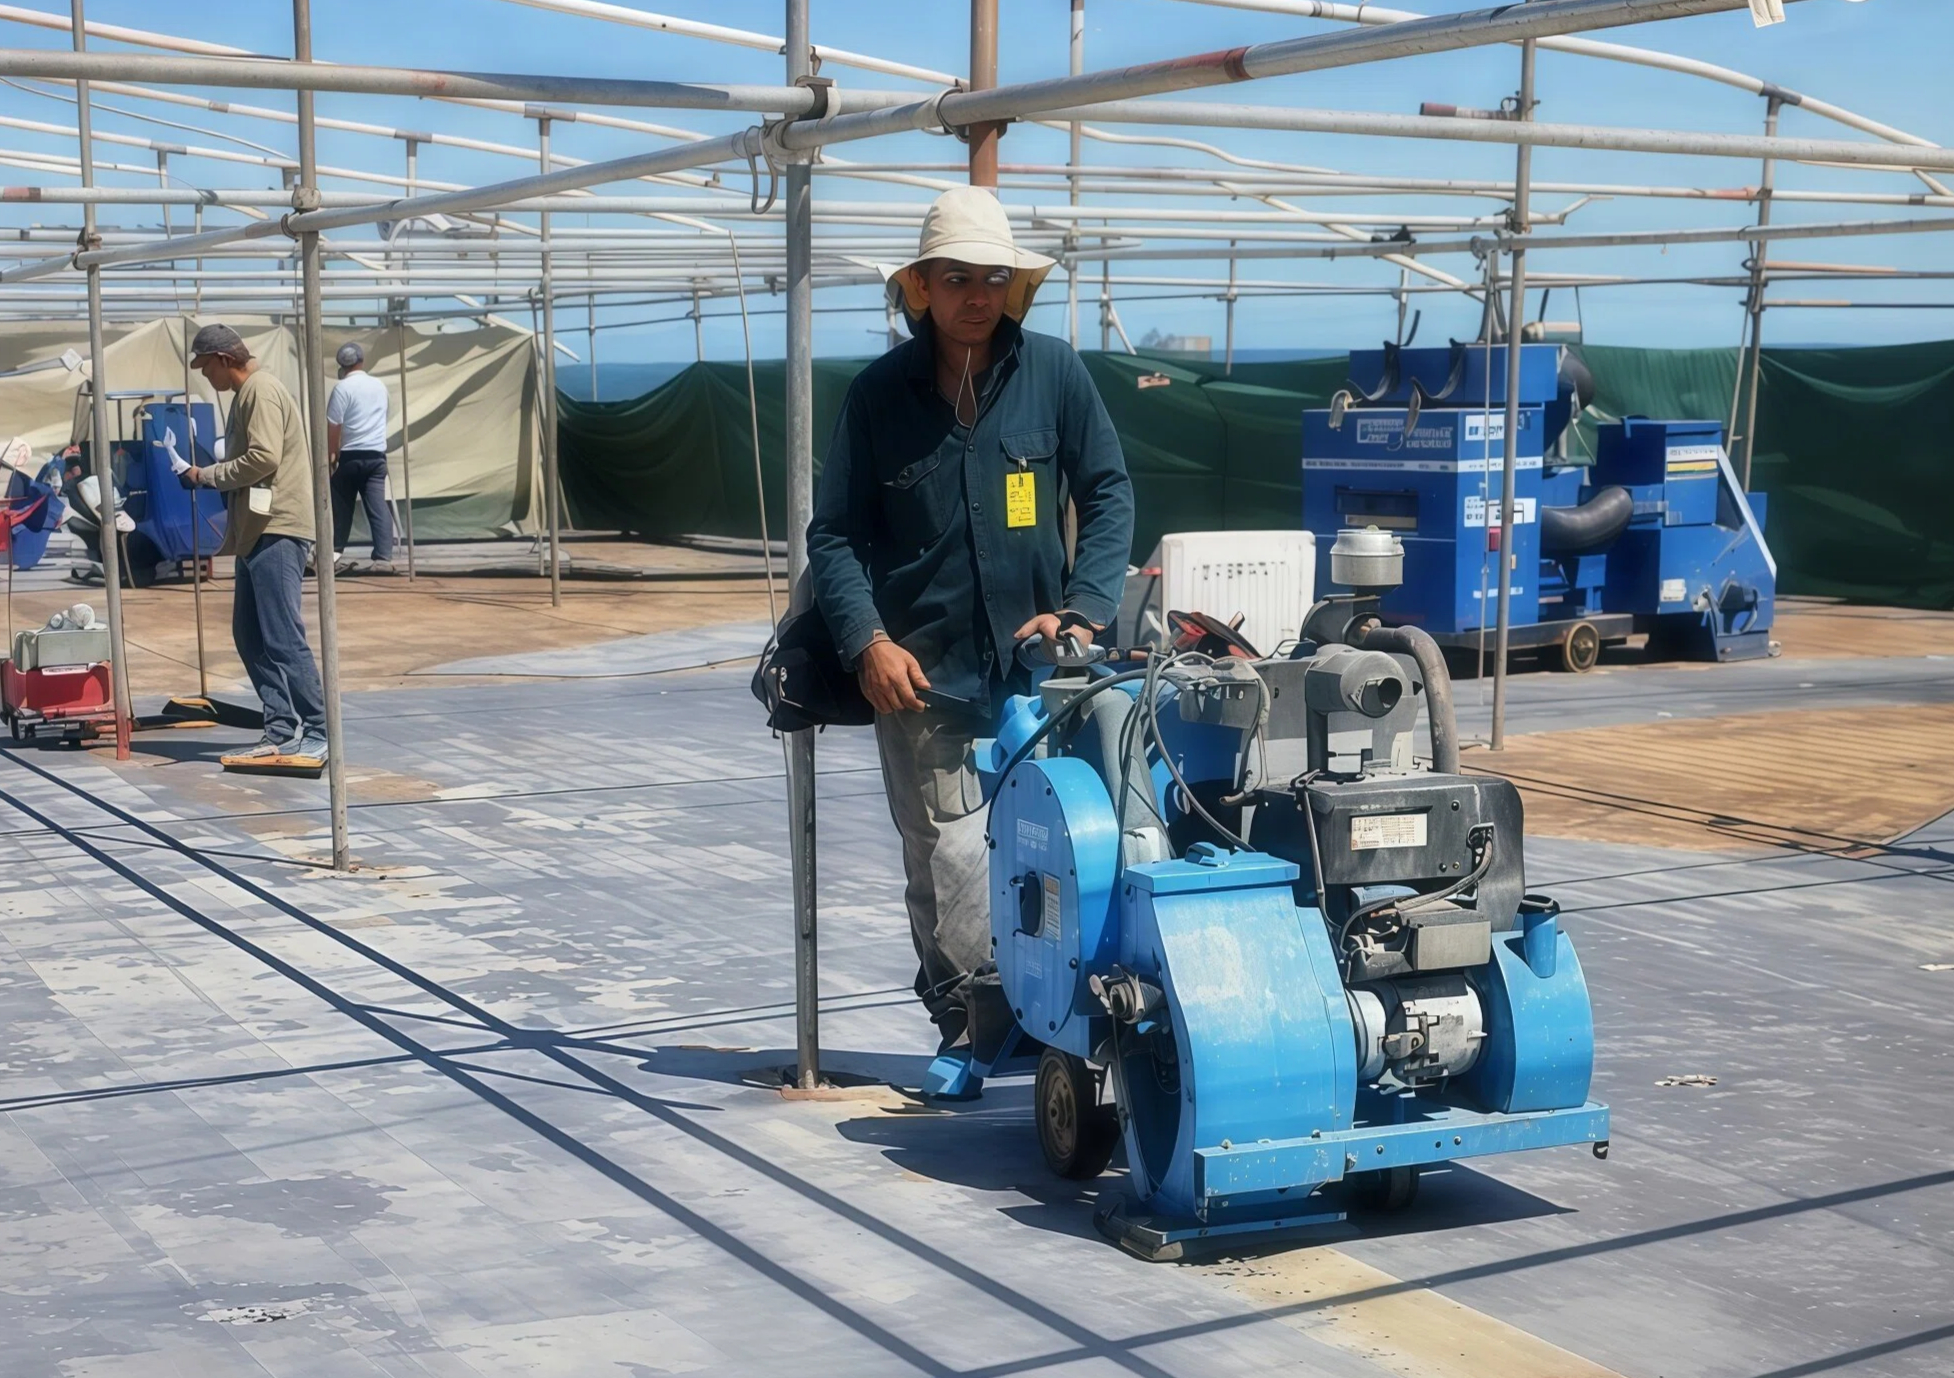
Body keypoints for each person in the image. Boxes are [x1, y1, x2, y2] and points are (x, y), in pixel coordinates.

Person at [807, 186, 1134, 1068]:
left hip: (1045, 675)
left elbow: (1108, 492)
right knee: (948, 861)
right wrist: (868, 642)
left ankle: (1060, 1016)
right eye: (956, 278)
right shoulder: (878, 397)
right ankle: (970, 1021)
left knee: (1065, 846)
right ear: (920, 287)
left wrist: (1083, 607)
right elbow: (833, 535)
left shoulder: (1054, 373)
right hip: (925, 678)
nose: (977, 296)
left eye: (992, 278)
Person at [179, 323, 329, 762]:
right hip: (255, 531)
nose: (206, 377)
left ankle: (318, 729)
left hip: (275, 528)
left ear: (225, 360)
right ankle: (280, 728)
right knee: (249, 635)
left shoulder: (260, 390)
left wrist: (206, 476)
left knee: (282, 637)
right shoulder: (248, 394)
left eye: (207, 368)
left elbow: (264, 457)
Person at [325, 341, 395, 575]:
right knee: (377, 506)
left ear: (341, 366)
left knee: (341, 505)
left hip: (351, 456)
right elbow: (386, 414)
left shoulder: (342, 388)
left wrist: (332, 454)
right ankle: (383, 558)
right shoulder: (379, 386)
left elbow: (334, 425)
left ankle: (334, 553)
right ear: (362, 361)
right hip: (376, 456)